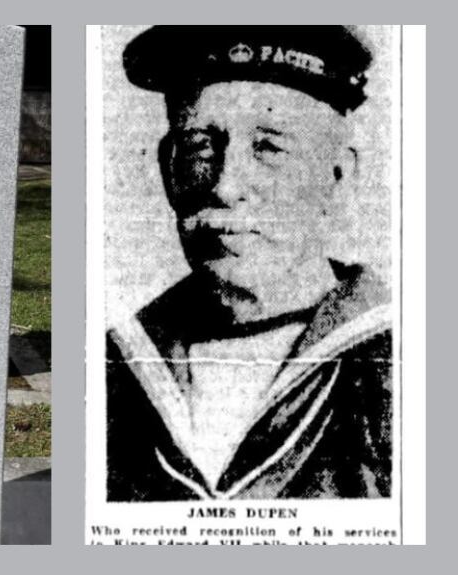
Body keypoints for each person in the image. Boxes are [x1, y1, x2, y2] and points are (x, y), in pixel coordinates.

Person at [106, 26, 392, 501]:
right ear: (166, 169)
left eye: (269, 147)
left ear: (337, 176)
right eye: (199, 146)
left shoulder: (404, 369)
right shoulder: (111, 372)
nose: (225, 184)